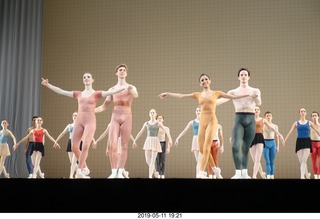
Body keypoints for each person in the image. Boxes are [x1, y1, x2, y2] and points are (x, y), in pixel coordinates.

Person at [159, 73, 252, 179]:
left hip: (212, 121)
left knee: (207, 147)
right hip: (202, 122)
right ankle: (216, 169)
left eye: (206, 79)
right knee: (201, 149)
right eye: (202, 80)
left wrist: (248, 94)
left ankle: (201, 173)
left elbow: (233, 97)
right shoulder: (197, 94)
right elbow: (182, 96)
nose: (204, 81)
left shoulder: (217, 93)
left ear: (210, 81)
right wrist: (168, 93)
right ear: (200, 83)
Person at [41, 72, 127, 179]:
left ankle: (80, 170)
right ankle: (85, 167)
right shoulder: (78, 94)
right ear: (83, 80)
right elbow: (62, 91)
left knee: (86, 145)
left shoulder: (97, 93)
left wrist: (124, 87)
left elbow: (111, 92)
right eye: (84, 77)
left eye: (88, 77)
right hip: (79, 121)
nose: (86, 78)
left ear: (92, 80)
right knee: (73, 146)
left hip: (90, 122)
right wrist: (48, 85)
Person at [216, 68, 261, 179]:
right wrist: (210, 103)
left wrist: (256, 97)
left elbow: (259, 103)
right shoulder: (233, 92)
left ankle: (245, 173)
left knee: (246, 147)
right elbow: (222, 100)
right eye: (241, 74)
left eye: (245, 74)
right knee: (235, 146)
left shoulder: (255, 90)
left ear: (249, 77)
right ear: (238, 77)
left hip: (250, 119)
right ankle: (237, 172)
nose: (244, 76)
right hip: (239, 118)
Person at [95, 64, 138, 179]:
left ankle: (120, 172)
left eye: (124, 70)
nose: (122, 71)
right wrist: (91, 110)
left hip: (127, 117)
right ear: (116, 73)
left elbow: (136, 95)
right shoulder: (112, 89)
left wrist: (131, 90)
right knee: (112, 144)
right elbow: (104, 106)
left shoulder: (131, 86)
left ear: (126, 73)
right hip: (115, 117)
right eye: (120, 70)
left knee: (124, 145)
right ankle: (113, 171)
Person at [132, 109, 172, 178]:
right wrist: (134, 140)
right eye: (151, 112)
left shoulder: (158, 123)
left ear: (155, 114)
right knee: (148, 160)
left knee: (153, 160)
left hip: (155, 141)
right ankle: (154, 172)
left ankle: (150, 176)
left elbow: (166, 131)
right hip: (148, 140)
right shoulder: (146, 123)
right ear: (149, 114)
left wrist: (170, 139)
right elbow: (140, 132)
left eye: (153, 112)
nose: (152, 113)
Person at [283, 108, 320, 179]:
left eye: (304, 111)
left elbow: (317, 131)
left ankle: (302, 176)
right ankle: (307, 174)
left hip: (307, 142)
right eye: (301, 111)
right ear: (299, 113)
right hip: (299, 142)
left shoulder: (309, 123)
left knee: (304, 160)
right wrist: (285, 140)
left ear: (305, 113)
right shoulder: (296, 123)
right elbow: (290, 132)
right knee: (301, 161)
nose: (303, 112)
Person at [250, 106, 284, 179]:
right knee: (254, 160)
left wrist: (279, 134)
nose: (256, 110)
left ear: (259, 111)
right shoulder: (249, 119)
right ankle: (262, 173)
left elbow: (271, 128)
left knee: (258, 159)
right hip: (251, 138)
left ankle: (254, 176)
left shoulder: (263, 120)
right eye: (255, 109)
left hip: (260, 138)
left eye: (257, 109)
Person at [54, 112, 84, 179]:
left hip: (77, 143)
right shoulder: (69, 125)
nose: (74, 116)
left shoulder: (81, 125)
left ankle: (71, 176)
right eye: (73, 115)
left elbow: (86, 134)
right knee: (72, 162)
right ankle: (79, 173)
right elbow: (63, 133)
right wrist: (56, 141)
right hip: (70, 142)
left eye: (76, 115)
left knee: (73, 162)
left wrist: (91, 141)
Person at [174, 107, 202, 178]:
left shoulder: (204, 120)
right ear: (195, 112)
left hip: (202, 140)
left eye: (199, 110)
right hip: (195, 139)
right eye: (197, 110)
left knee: (200, 161)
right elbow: (184, 130)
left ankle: (198, 175)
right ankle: (201, 174)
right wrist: (178, 138)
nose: (198, 111)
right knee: (198, 161)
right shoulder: (192, 122)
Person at [263, 111, 281, 179]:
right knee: (267, 161)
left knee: (272, 161)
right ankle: (268, 176)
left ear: (272, 117)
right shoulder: (263, 125)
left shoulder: (275, 126)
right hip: (265, 143)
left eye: (270, 115)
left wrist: (278, 146)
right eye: (267, 115)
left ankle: (272, 176)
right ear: (265, 117)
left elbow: (277, 136)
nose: (269, 116)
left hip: (272, 143)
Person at [155, 115, 172, 179]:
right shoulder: (155, 128)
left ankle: (163, 174)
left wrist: (168, 147)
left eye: (161, 118)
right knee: (158, 160)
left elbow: (168, 138)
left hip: (163, 143)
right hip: (156, 144)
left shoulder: (166, 128)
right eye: (158, 118)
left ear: (163, 120)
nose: (159, 119)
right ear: (156, 120)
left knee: (163, 160)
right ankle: (159, 174)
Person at [310, 111, 320, 179]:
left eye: (315, 115)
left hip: (319, 143)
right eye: (313, 116)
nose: (314, 117)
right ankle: (315, 176)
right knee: (314, 161)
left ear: (318, 117)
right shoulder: (310, 126)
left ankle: (319, 175)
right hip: (312, 144)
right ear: (311, 118)